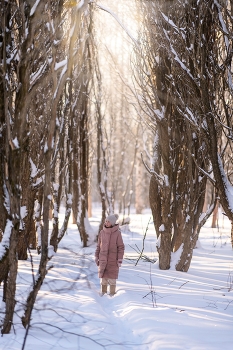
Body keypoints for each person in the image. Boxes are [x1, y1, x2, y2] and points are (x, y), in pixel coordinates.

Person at [95, 213, 125, 296]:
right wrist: (96, 256)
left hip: (113, 259)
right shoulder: (102, 232)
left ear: (112, 223)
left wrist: (119, 259)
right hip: (103, 259)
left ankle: (112, 294)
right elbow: (98, 246)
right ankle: (103, 293)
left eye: (108, 221)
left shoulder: (117, 233)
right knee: (104, 278)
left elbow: (121, 247)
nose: (106, 223)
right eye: (106, 221)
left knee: (112, 278)